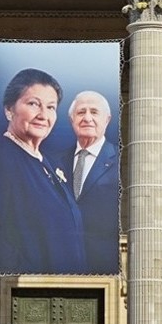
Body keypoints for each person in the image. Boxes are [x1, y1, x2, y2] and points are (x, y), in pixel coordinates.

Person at [0, 68, 87, 275]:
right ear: (9, 109)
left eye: (51, 107)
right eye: (33, 104)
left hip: (72, 285)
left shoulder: (50, 164)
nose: (43, 115)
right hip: (29, 286)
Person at [52, 90, 120, 274]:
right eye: (81, 112)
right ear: (72, 120)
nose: (87, 118)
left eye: (94, 112)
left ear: (107, 119)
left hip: (105, 259)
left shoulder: (124, 160)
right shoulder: (53, 162)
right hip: (56, 257)